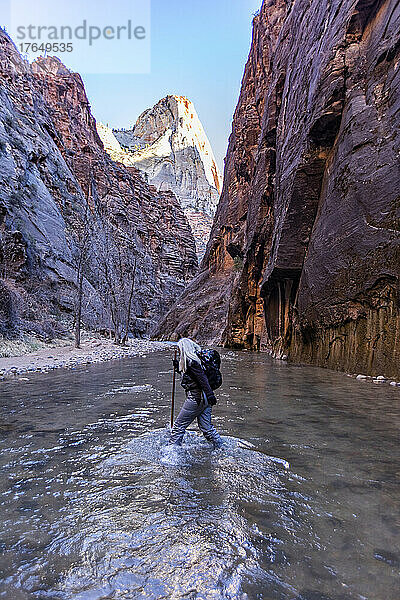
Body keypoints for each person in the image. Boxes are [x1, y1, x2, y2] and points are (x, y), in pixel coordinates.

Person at [170, 337, 224, 449]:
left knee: (178, 427)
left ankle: (171, 453)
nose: (179, 351)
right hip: (205, 399)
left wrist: (210, 394)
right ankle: (221, 447)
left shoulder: (192, 362)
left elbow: (202, 378)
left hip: (196, 398)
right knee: (207, 428)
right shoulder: (197, 361)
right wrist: (178, 368)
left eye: (180, 349)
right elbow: (193, 377)